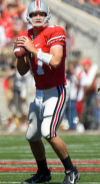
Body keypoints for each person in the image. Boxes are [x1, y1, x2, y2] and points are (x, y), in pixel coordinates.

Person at [14, 0, 80, 184]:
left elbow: (56, 61)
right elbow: (21, 70)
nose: (38, 17)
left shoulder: (55, 31)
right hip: (39, 93)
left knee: (48, 131)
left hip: (56, 91)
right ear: (29, 16)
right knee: (32, 136)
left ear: (47, 16)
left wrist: (32, 49)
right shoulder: (25, 36)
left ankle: (71, 171)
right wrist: (20, 55)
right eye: (34, 14)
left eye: (41, 14)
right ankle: (43, 172)